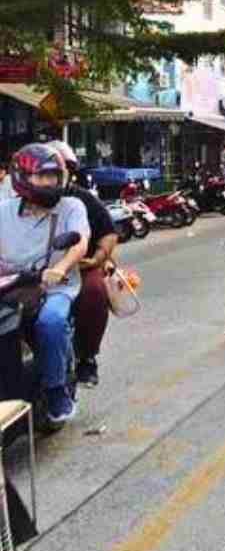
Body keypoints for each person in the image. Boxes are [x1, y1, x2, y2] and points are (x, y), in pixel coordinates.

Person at [0, 144, 90, 423]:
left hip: (55, 285)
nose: (50, 182)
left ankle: (55, 391)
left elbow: (80, 241)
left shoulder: (71, 206)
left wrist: (60, 267)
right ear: (23, 177)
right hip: (11, 284)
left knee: (50, 321)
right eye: (43, 176)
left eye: (54, 176)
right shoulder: (3, 210)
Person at [47, 142, 117, 388]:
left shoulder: (80, 200)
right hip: (31, 268)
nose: (48, 178)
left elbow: (109, 232)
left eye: (55, 170)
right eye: (41, 172)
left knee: (94, 293)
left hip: (80, 267)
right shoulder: (15, 203)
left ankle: (86, 357)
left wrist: (98, 258)